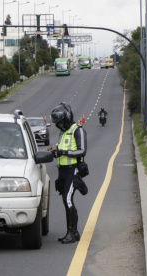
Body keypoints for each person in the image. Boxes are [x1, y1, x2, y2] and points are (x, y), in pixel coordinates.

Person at [48, 102, 87, 244]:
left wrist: (64, 152)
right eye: (58, 123)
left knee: (67, 199)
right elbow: (60, 148)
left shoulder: (78, 130)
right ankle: (72, 232)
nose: (60, 125)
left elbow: (82, 151)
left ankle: (72, 232)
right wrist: (54, 151)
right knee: (66, 200)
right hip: (62, 172)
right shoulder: (63, 133)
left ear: (68, 117)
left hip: (73, 171)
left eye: (61, 122)